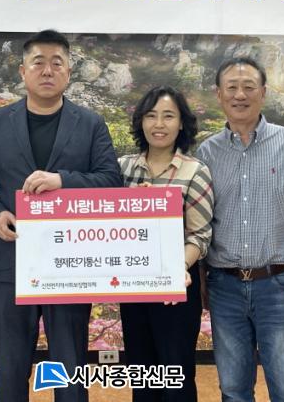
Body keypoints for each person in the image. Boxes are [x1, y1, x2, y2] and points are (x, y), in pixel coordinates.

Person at [0, 29, 122, 402]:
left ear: (69, 71)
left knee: (69, 369)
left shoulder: (90, 123)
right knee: (11, 367)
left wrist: (63, 180)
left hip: (69, 264)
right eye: (38, 62)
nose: (47, 70)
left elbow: (110, 180)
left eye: (57, 63)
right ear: (23, 71)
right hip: (11, 261)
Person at [196, 56, 284, 402]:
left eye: (248, 87)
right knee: (233, 389)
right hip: (224, 286)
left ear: (263, 93)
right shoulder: (207, 152)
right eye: (231, 87)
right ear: (219, 94)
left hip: (278, 285)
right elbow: (199, 220)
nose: (240, 95)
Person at [119, 86, 214, 402]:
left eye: (168, 116)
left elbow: (200, 236)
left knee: (176, 377)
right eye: (151, 116)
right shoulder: (122, 169)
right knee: (142, 377)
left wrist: (177, 267)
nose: (159, 124)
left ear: (182, 123)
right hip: (134, 286)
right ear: (141, 122)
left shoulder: (194, 172)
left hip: (176, 287)